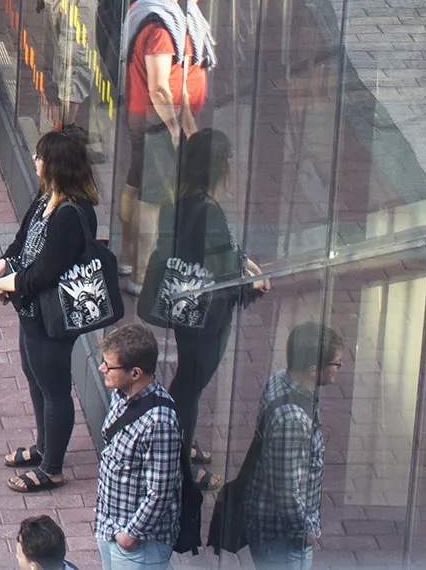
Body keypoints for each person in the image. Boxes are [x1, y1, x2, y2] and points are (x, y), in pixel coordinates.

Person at [0, 125, 100, 492]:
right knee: (33, 373)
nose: (34, 160)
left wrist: (11, 283)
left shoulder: (71, 212)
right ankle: (44, 444)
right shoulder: (45, 198)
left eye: (40, 156)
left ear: (56, 164)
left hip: (53, 314)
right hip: (31, 310)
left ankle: (52, 467)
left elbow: (48, 269)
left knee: (53, 385)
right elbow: (25, 239)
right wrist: (3, 264)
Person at [151, 128, 262, 476]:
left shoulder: (177, 200)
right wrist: (250, 280)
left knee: (187, 379)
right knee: (191, 384)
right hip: (207, 313)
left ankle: (177, 441)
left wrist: (242, 260)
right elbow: (221, 264)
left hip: (186, 306)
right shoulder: (207, 208)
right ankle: (177, 453)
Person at [230, 323, 341, 569]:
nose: (337, 369)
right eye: (335, 364)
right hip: (282, 537)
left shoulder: (280, 379)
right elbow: (287, 490)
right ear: (314, 370)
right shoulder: (292, 420)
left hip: (269, 523)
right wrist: (305, 531)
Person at [119, 0, 209, 213]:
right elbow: (159, 88)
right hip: (155, 121)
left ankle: (129, 244)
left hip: (144, 114)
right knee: (154, 200)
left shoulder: (143, 9)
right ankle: (143, 251)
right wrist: (174, 128)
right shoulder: (161, 27)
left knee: (136, 182)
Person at [97, 323, 187, 567]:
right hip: (110, 527)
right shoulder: (120, 393)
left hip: (139, 544)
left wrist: (131, 535)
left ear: (135, 373)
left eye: (109, 366)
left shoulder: (159, 423)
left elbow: (160, 491)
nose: (101, 368)